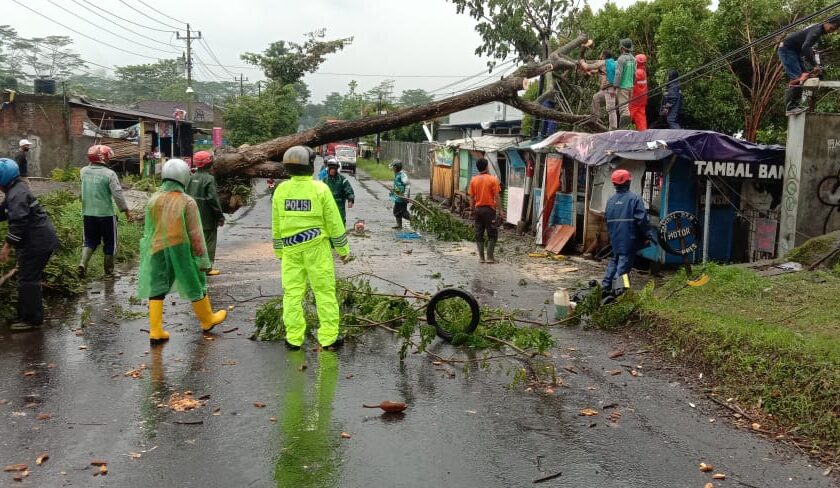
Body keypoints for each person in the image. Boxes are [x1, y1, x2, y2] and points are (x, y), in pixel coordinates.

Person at [137, 158, 227, 343]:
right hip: (181, 249)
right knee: (194, 282)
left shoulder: (153, 199)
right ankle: (207, 320)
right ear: (184, 177)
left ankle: (155, 330)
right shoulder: (187, 202)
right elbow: (195, 233)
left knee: (157, 285)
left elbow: (148, 230)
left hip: (156, 249)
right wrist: (202, 259)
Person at [271, 146, 350, 351]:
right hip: (317, 250)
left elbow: (277, 224)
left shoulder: (281, 190)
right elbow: (334, 223)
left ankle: (294, 338)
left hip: (290, 251)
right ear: (310, 166)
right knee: (324, 292)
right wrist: (343, 251)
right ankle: (329, 338)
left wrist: (279, 251)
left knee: (292, 294)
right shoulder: (320, 189)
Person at [0, 158, 59, 331]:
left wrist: (6, 247)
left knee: (29, 279)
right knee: (26, 278)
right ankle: (25, 315)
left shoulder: (16, 193)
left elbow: (18, 222)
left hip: (37, 242)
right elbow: (4, 211)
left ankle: (32, 320)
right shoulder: (16, 189)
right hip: (36, 241)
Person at [78, 144, 131, 278]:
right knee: (110, 244)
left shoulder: (83, 171)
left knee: (89, 241)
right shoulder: (110, 174)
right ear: (103, 158)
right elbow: (117, 194)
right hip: (106, 215)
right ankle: (109, 272)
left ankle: (83, 264)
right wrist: (126, 211)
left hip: (88, 214)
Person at [778, 15, 840, 112]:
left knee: (804, 75)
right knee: (797, 77)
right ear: (827, 22)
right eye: (832, 28)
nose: (831, 31)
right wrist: (815, 65)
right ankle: (791, 107)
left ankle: (795, 104)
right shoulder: (817, 31)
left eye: (834, 30)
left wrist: (815, 66)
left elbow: (808, 48)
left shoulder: (817, 29)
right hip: (787, 50)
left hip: (794, 52)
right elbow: (806, 47)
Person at [601, 169, 649, 292]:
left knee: (614, 261)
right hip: (629, 239)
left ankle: (605, 287)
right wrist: (647, 235)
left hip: (615, 239)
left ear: (614, 184)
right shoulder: (635, 199)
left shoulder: (610, 201)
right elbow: (642, 220)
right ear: (628, 182)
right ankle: (619, 291)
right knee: (624, 267)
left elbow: (606, 220)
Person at [185, 150, 225, 276]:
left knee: (195, 241)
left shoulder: (191, 178)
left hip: (192, 217)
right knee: (209, 241)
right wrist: (220, 216)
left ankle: (194, 265)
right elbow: (213, 199)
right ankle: (207, 268)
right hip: (207, 217)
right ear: (209, 163)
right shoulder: (209, 179)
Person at [468, 158, 502, 263]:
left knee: (479, 233)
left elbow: (471, 197)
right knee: (492, 234)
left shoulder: (473, 180)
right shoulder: (493, 179)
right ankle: (490, 258)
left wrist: (471, 209)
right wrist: (500, 210)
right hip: (489, 210)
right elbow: (497, 196)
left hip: (478, 210)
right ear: (487, 167)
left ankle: (481, 258)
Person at [579, 50, 617, 130]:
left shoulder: (602, 62)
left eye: (600, 54)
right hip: (607, 89)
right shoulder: (612, 63)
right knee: (596, 97)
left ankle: (613, 129)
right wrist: (587, 71)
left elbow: (588, 66)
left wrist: (582, 62)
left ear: (603, 56)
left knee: (611, 109)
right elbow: (595, 71)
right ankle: (594, 118)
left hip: (610, 89)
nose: (599, 55)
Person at [323, 158, 355, 228]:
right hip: (327, 205)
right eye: (330, 169)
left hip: (339, 205)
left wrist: (350, 200)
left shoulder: (342, 179)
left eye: (333, 169)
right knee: (327, 222)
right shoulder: (325, 180)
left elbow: (349, 189)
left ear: (336, 169)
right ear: (328, 169)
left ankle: (341, 236)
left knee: (340, 222)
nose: (332, 171)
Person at [613, 39, 637, 127]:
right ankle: (629, 127)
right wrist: (632, 84)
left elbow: (618, 73)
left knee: (623, 109)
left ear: (622, 48)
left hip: (622, 87)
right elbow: (635, 74)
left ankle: (623, 129)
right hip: (630, 86)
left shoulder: (621, 59)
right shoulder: (633, 59)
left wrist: (615, 86)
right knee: (627, 107)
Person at [389, 160, 411, 229]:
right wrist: (393, 190)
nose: (392, 168)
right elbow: (396, 185)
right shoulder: (397, 174)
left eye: (393, 167)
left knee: (403, 212)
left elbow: (407, 185)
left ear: (396, 167)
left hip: (402, 197)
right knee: (397, 211)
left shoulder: (402, 175)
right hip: (398, 197)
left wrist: (405, 195)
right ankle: (399, 225)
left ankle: (415, 221)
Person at [629, 54, 648, 131]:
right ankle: (643, 134)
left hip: (635, 100)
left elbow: (629, 78)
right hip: (642, 100)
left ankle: (623, 134)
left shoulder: (638, 72)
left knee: (628, 117)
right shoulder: (643, 71)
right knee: (641, 119)